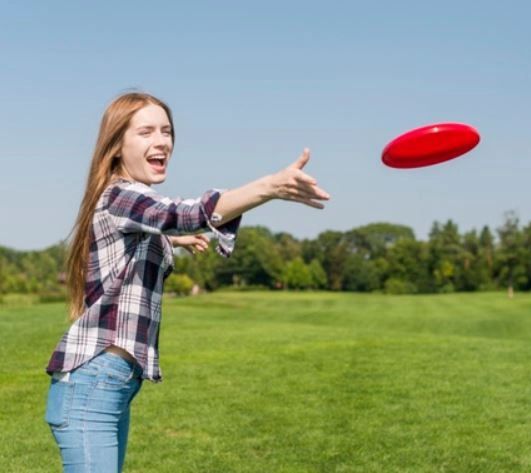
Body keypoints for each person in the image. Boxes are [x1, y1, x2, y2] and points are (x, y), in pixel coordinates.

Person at [44, 92, 330, 472]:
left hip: (108, 385)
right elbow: (184, 213)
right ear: (115, 146)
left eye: (166, 131)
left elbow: (156, 225)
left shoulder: (130, 205)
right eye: (145, 131)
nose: (161, 141)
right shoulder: (121, 195)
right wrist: (269, 188)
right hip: (91, 387)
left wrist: (170, 239)